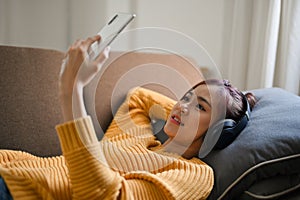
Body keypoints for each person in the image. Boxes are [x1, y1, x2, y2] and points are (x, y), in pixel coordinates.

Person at [0, 35, 256, 199]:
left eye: (201, 106)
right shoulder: (136, 134)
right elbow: (139, 98)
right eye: (186, 96)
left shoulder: (193, 175)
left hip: (19, 191)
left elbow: (104, 194)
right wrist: (184, 113)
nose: (183, 105)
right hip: (11, 165)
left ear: (217, 132)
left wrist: (71, 93)